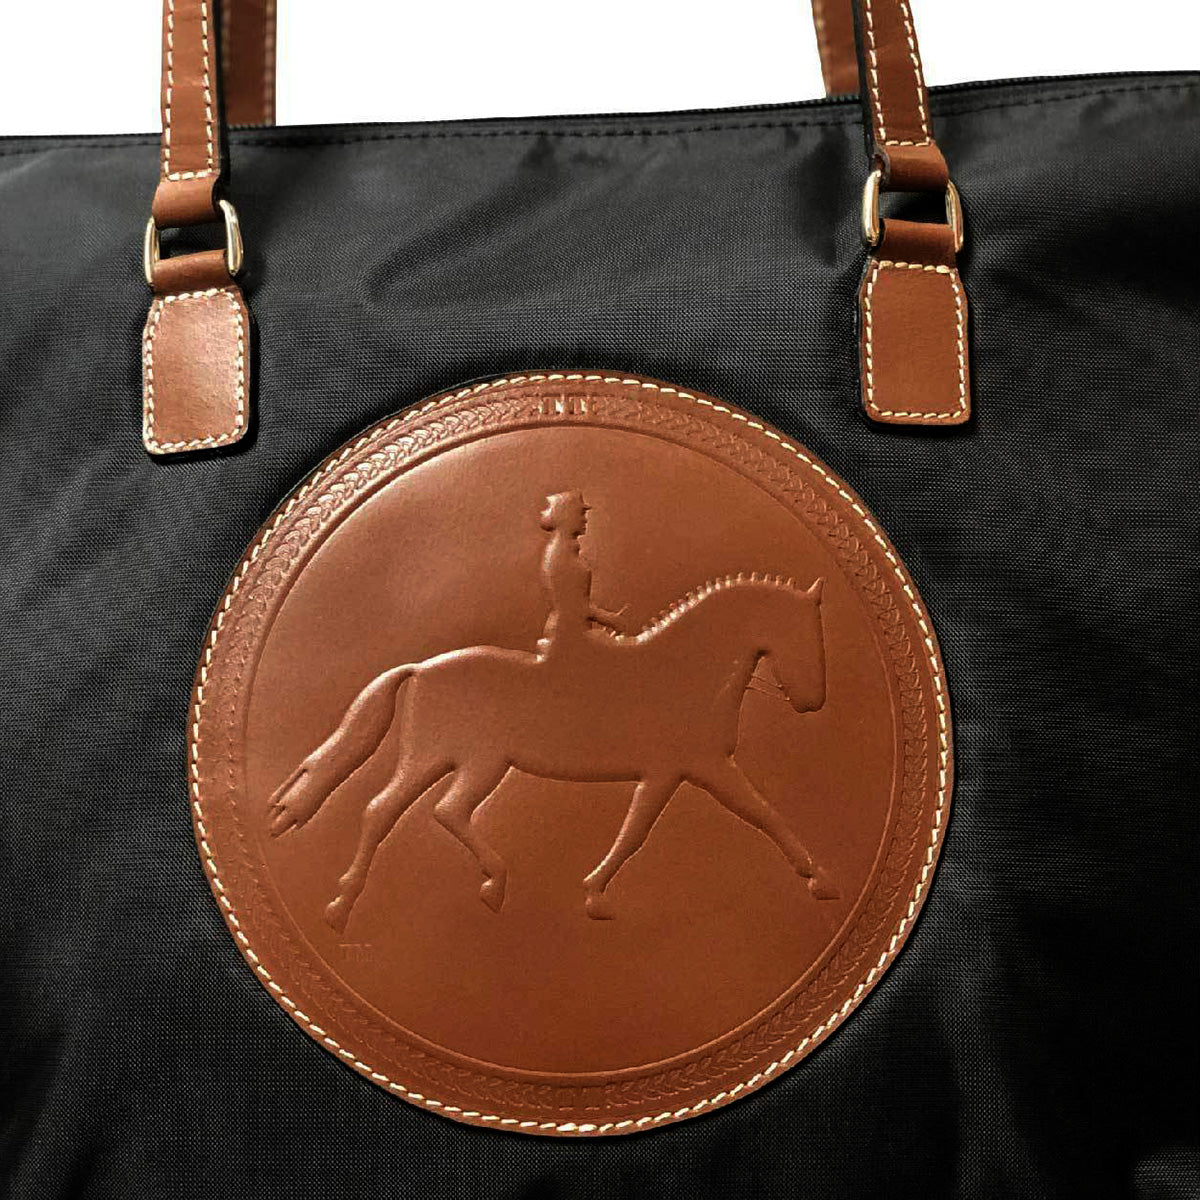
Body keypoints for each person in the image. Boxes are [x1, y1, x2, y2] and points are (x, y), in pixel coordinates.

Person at [536, 491, 627, 660]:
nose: (585, 520)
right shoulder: (560, 554)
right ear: (567, 515)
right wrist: (609, 618)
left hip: (574, 628)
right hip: (570, 633)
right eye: (581, 514)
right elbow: (573, 606)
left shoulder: (565, 550)